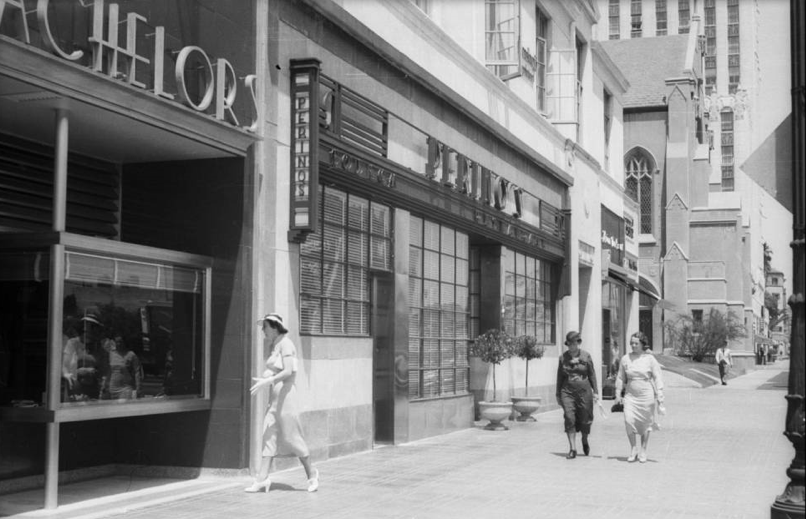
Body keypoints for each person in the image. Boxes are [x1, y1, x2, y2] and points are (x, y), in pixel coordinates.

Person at [246, 313, 319, 493]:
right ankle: (262, 479)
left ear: (274, 327)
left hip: (286, 398)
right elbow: (276, 369)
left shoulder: (286, 344)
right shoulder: (275, 345)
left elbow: (288, 371)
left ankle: (312, 473)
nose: (263, 330)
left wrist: (268, 381)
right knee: (268, 434)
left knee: (291, 436)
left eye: (265, 327)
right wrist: (267, 377)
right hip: (275, 398)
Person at [615, 332, 665, 463]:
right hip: (630, 395)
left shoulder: (650, 359)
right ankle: (633, 448)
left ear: (643, 344)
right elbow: (620, 377)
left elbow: (657, 376)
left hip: (646, 395)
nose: (633, 345)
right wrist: (617, 394)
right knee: (628, 420)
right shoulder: (626, 358)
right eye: (631, 343)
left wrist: (660, 394)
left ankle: (643, 450)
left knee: (646, 422)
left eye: (636, 343)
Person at [555, 330, 599, 459]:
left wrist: (595, 391)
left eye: (573, 343)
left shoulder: (586, 356)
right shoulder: (563, 358)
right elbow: (559, 377)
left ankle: (584, 439)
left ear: (578, 343)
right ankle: (572, 449)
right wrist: (558, 394)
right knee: (569, 417)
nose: (571, 346)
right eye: (569, 344)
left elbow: (592, 374)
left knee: (585, 418)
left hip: (584, 390)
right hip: (567, 390)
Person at [102, 334, 143, 400]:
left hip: (125, 388)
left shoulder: (131, 355)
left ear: (124, 342)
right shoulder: (111, 354)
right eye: (117, 342)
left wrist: (138, 387)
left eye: (120, 342)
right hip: (112, 389)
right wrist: (104, 385)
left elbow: (137, 372)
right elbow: (108, 372)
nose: (119, 344)